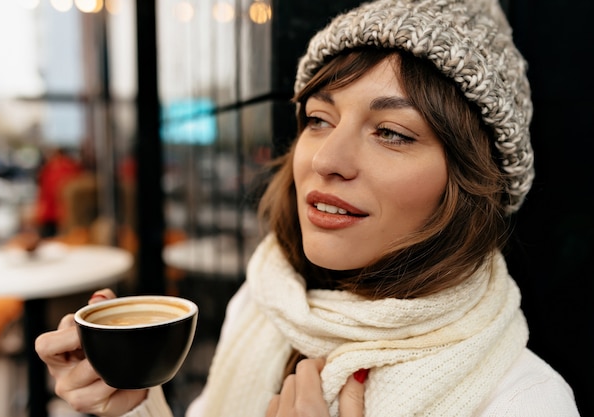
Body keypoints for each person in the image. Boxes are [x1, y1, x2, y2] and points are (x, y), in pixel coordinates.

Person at [35, 0, 581, 416]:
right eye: (319, 120)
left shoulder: (527, 399)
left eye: (391, 132)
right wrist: (135, 406)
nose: (328, 159)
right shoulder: (270, 298)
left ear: (468, 181)